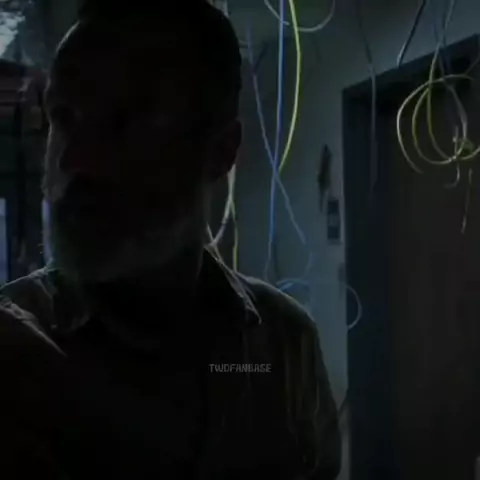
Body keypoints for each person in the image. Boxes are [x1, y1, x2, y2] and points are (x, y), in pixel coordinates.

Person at [0, 1, 341, 478]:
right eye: (63, 116)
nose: (73, 161)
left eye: (122, 122)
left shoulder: (284, 347)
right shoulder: (10, 358)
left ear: (220, 151)